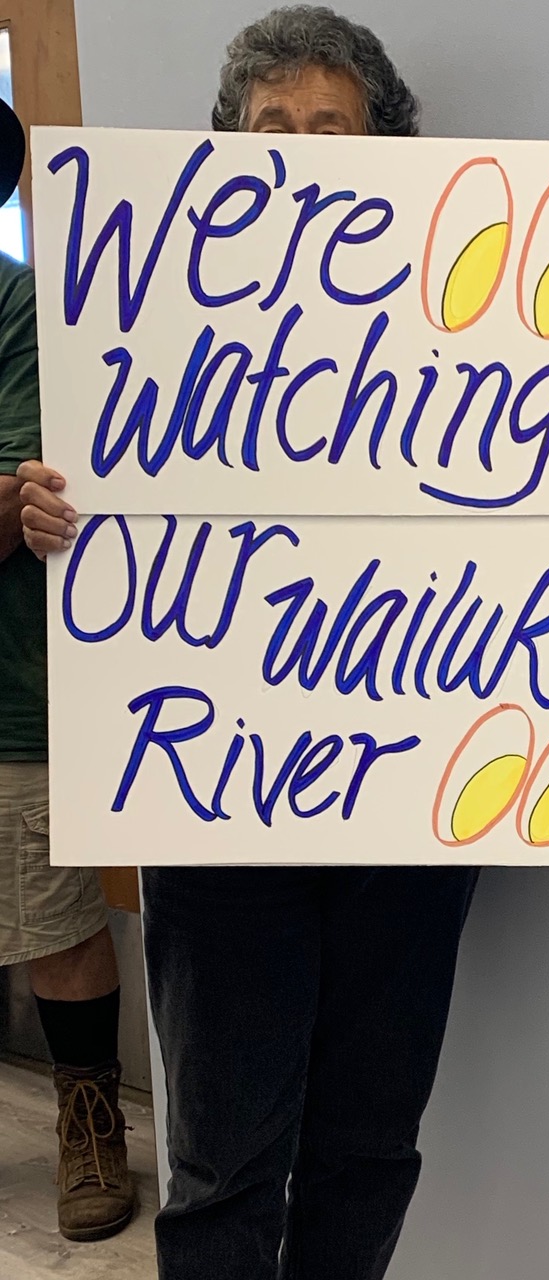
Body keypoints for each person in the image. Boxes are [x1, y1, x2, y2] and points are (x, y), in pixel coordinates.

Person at [17, 7, 549, 1278]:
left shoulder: (475, 326)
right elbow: (100, 500)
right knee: (223, 1158)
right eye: (275, 125)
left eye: (335, 125)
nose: (304, 146)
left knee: (369, 1142)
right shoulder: (147, 318)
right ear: (225, 149)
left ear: (390, 154)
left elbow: (533, 512)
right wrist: (50, 508)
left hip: (408, 806)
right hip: (217, 800)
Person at [0, 96, 135, 1243]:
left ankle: (92, 1122)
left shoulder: (24, 312)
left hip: (17, 698)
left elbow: (19, 503)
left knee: (57, 924)